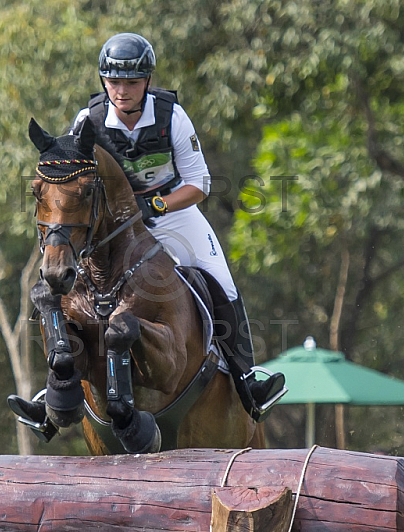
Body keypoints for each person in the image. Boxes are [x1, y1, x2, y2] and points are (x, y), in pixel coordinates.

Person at [72, 33, 286, 422]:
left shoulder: (172, 115)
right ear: (103, 81)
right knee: (69, 286)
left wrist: (155, 203)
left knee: (220, 278)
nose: (122, 91)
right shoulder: (88, 121)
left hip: (170, 213)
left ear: (147, 81)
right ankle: (56, 389)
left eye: (132, 82)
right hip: (114, 228)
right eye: (113, 82)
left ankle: (247, 379)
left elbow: (199, 183)